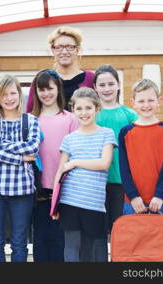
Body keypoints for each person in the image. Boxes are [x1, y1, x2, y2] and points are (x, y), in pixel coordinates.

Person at [52, 87, 116, 262]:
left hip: (94, 203)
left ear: (97, 108)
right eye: (79, 108)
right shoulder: (69, 139)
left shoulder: (106, 134)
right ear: (73, 110)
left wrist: (75, 162)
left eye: (88, 108)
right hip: (69, 201)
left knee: (93, 249)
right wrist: (54, 204)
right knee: (71, 247)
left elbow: (104, 163)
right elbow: (60, 171)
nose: (84, 113)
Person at [0, 74, 40, 262]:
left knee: (19, 242)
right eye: (3, 94)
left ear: (19, 94)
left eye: (13, 93)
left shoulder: (30, 120)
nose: (9, 98)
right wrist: (20, 158)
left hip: (23, 190)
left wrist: (4, 145)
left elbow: (33, 147)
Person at [30, 69, 79, 262]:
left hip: (64, 190)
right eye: (41, 89)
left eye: (50, 88)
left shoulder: (70, 119)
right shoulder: (30, 119)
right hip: (37, 190)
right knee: (40, 239)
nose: (46, 93)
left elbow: (76, 153)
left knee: (60, 241)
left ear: (58, 89)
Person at [118, 79, 163, 216]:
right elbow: (124, 168)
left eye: (150, 100)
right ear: (133, 103)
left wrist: (160, 195)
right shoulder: (125, 132)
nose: (146, 105)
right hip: (133, 202)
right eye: (141, 101)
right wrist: (133, 196)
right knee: (134, 238)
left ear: (159, 101)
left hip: (162, 201)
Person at [94, 64, 138, 231]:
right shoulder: (91, 114)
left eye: (111, 84)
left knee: (122, 231)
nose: (107, 89)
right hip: (96, 181)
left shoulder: (130, 115)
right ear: (95, 87)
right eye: (102, 85)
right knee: (98, 233)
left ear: (119, 84)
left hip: (123, 182)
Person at [27, 26, 94, 112]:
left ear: (77, 49)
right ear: (52, 50)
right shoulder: (42, 77)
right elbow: (31, 112)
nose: (64, 52)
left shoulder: (90, 78)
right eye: (59, 47)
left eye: (70, 47)